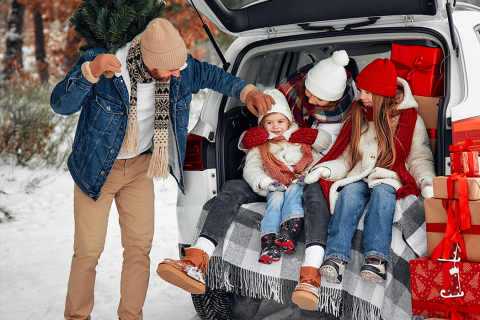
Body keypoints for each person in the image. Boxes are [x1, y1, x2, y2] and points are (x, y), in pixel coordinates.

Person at [50, 18, 274, 320]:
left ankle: (131, 316)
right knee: (88, 252)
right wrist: (88, 73)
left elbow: (212, 75)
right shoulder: (106, 66)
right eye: (170, 70)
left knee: (138, 250)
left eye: (180, 66)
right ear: (149, 61)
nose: (178, 74)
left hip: (141, 167)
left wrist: (247, 92)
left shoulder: (179, 69)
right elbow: (61, 104)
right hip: (96, 171)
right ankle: (77, 317)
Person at [157, 50, 356, 310]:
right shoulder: (271, 124)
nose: (307, 98)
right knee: (230, 188)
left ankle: (310, 275)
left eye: (316, 98)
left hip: (304, 179)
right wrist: (259, 169)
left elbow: (326, 143)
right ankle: (196, 258)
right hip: (267, 183)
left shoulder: (313, 127)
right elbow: (250, 162)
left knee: (315, 198)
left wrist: (308, 141)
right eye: (308, 92)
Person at [304, 58, 435, 285]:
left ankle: (376, 259)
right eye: (361, 90)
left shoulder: (410, 120)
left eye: (367, 92)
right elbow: (345, 159)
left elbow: (418, 158)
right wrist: (325, 169)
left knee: (383, 193)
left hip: (389, 176)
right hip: (358, 174)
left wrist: (426, 181)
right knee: (349, 194)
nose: (361, 96)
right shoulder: (358, 117)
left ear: (383, 94)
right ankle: (335, 257)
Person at [242, 88, 327, 264]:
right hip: (274, 184)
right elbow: (251, 169)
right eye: (269, 123)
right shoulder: (260, 146)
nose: (276, 127)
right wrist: (266, 182)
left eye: (280, 121)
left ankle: (289, 230)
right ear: (262, 125)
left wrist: (310, 174)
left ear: (289, 122)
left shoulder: (298, 140)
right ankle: (269, 241)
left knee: (295, 191)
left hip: (298, 181)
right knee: (275, 200)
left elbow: (316, 160)